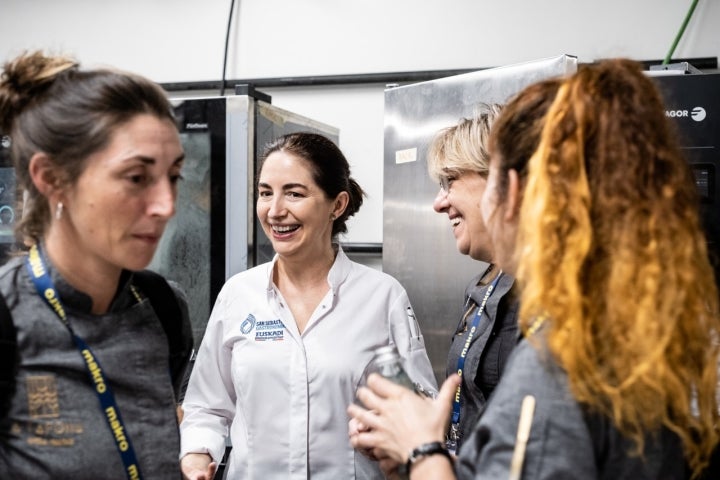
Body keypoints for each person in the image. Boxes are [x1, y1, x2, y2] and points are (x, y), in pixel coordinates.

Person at [348, 58, 720, 480]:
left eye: (452, 181)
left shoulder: (564, 355)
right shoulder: (636, 317)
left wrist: (422, 450)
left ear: (517, 190)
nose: (439, 202)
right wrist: (422, 458)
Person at [179, 132, 437, 479]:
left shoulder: (382, 297)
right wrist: (196, 456)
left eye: (295, 194)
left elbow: (419, 413)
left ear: (337, 204)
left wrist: (392, 442)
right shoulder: (238, 295)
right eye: (265, 193)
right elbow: (206, 407)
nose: (274, 211)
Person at [0, 51, 193, 479]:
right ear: (50, 178)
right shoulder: (9, 317)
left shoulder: (162, 306)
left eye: (174, 176)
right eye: (137, 177)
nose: (166, 205)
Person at [427, 109, 519, 451]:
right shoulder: (484, 284)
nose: (439, 203)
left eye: (450, 181)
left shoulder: (552, 294)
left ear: (503, 181)